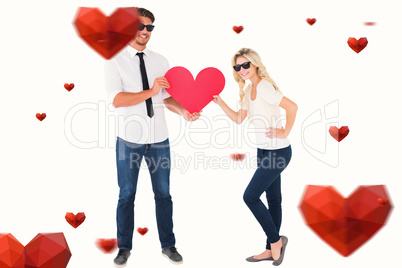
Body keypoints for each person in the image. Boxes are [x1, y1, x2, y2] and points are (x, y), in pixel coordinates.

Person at [105, 7, 201, 267]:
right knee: (126, 194)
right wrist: (150, 90)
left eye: (150, 27)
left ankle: (168, 246)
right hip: (129, 140)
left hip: (159, 139)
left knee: (164, 194)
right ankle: (124, 248)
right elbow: (116, 99)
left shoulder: (161, 60)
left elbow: (165, 98)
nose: (145, 31)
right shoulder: (115, 61)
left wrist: (183, 111)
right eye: (140, 26)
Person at [213, 48, 297, 266]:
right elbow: (239, 119)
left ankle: (276, 241)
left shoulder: (265, 87)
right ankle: (271, 248)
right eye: (237, 67)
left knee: (250, 196)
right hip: (263, 151)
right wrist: (220, 102)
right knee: (273, 200)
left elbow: (292, 107)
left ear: (255, 64)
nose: (241, 70)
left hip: (278, 152)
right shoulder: (249, 89)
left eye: (245, 65)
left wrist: (285, 131)